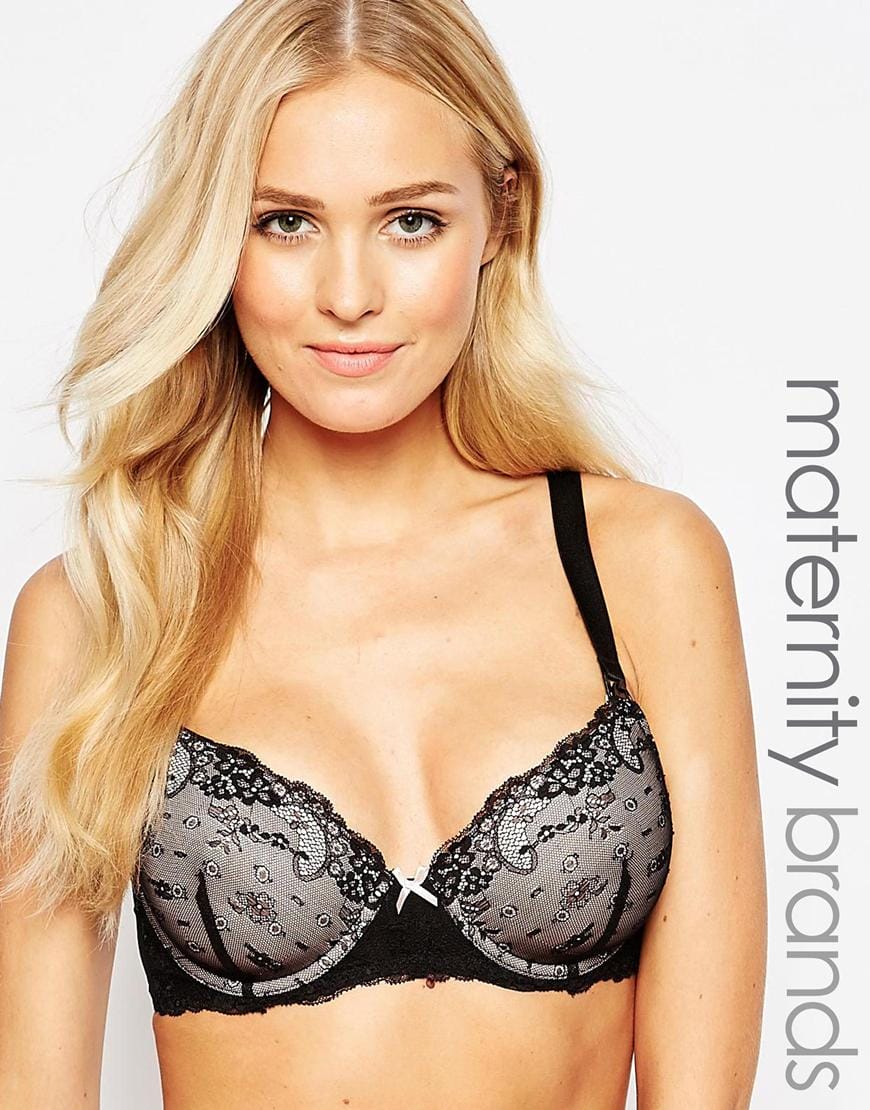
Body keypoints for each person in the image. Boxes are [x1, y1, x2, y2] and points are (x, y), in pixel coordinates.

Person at [0, 1, 767, 1107]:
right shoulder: (104, 611)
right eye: (285, 222)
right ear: (216, 238)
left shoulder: (645, 567)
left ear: (500, 216)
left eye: (411, 221)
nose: (349, 296)